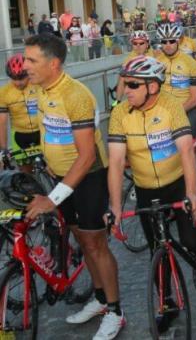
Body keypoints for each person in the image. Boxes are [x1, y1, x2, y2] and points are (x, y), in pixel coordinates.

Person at [106, 56, 196, 333]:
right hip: (145, 188)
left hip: (177, 183)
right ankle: (167, 303)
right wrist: (115, 206)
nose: (125, 90)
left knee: (189, 237)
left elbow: (187, 151)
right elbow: (116, 162)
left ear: (152, 86)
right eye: (124, 83)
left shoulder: (171, 107)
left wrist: (192, 193)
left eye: (132, 85)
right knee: (157, 249)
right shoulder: (120, 113)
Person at [21, 34, 123, 339]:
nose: (25, 65)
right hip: (61, 178)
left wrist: (53, 198)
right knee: (82, 240)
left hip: (87, 177)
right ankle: (101, 299)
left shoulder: (75, 95)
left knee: (96, 245)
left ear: (53, 64)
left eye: (31, 60)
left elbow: (87, 154)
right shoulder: (41, 90)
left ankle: (116, 311)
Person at [154, 24, 196, 141]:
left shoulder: (191, 63)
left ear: (178, 42)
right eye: (164, 42)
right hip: (163, 108)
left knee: (190, 145)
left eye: (171, 41)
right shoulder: (156, 63)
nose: (168, 45)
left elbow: (195, 100)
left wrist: (175, 112)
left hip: (187, 108)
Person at [0, 54, 40, 173]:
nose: (18, 82)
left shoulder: (39, 85)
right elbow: (2, 122)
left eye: (22, 78)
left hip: (42, 132)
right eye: (14, 78)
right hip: (20, 136)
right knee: (26, 174)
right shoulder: (4, 93)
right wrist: (3, 149)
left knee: (52, 168)